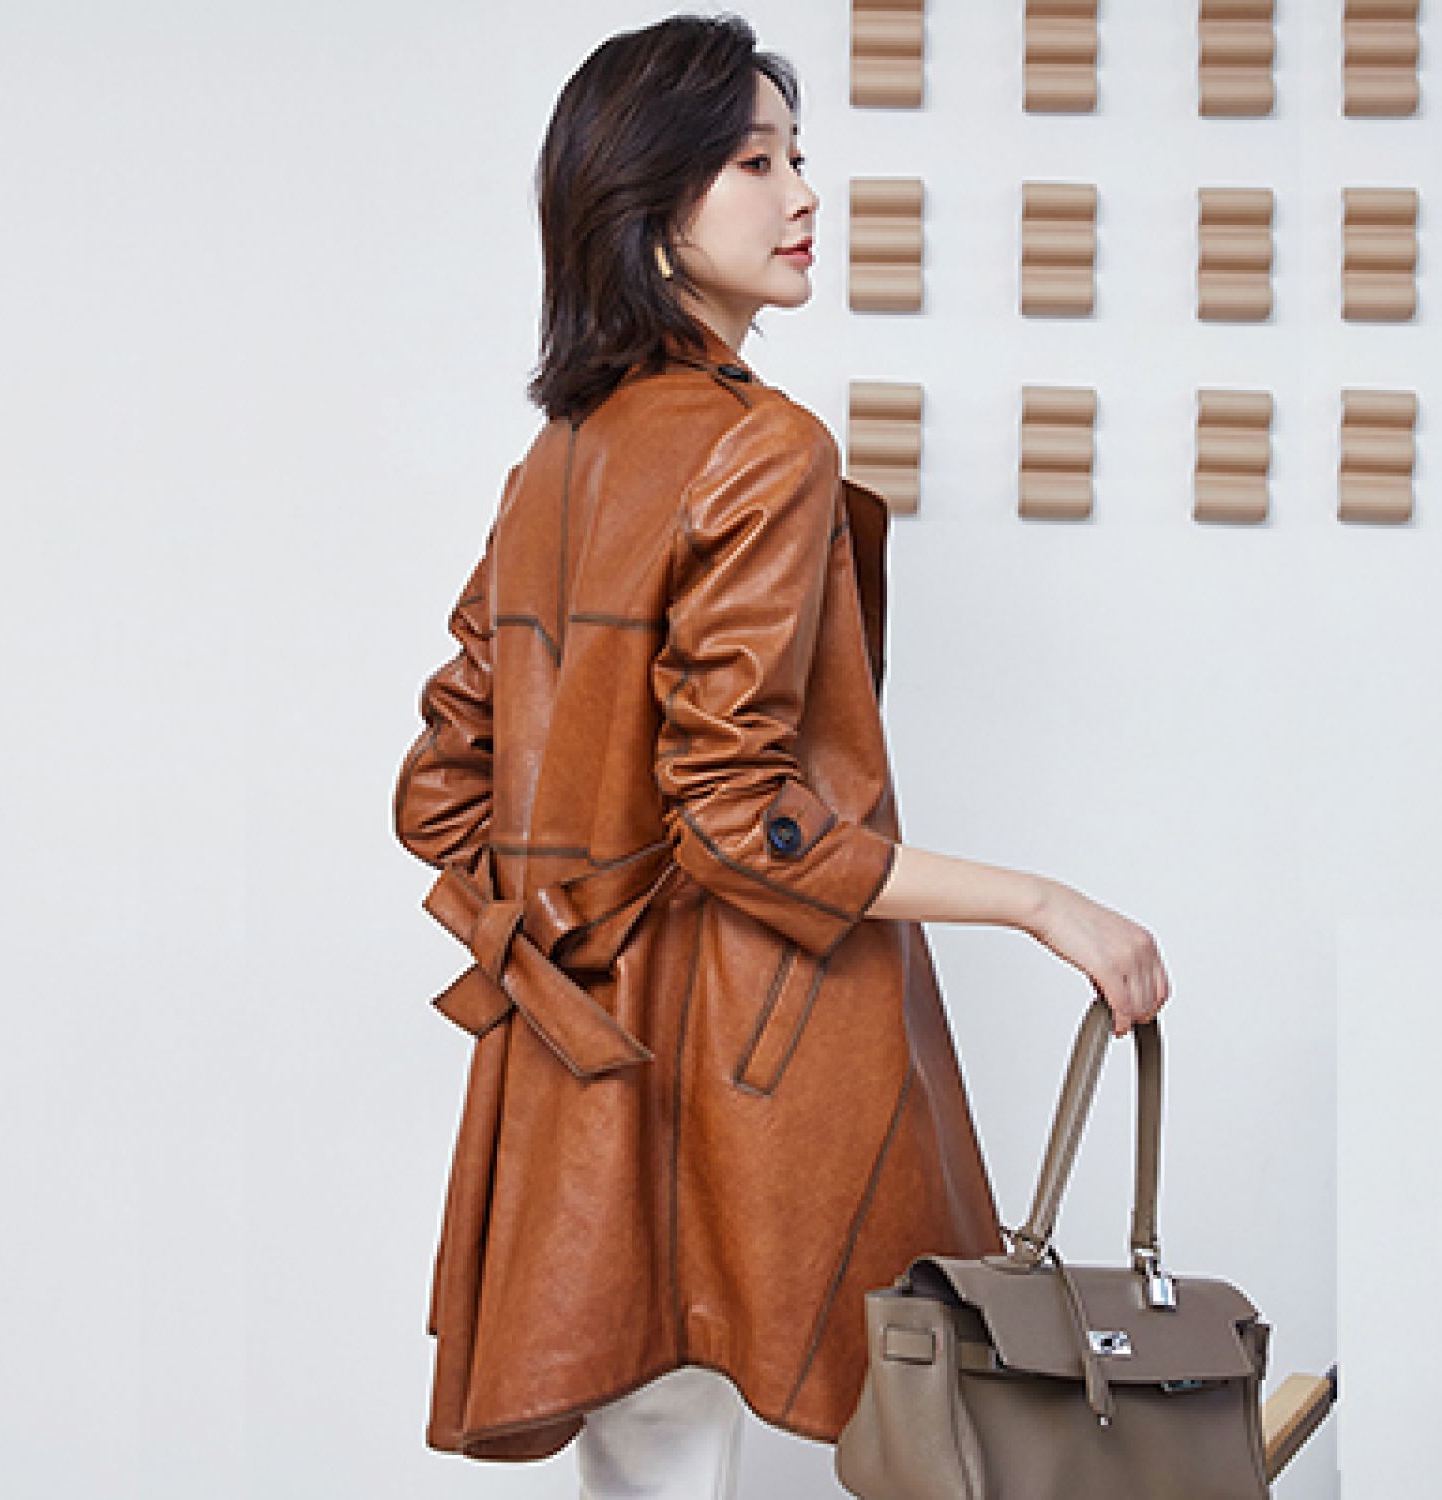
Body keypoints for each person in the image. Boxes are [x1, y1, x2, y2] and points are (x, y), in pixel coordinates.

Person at [392, 13, 1170, 1497]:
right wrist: (1043, 903)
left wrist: (565, 924)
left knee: (652, 1462)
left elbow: (440, 790)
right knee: (834, 1438)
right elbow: (740, 817)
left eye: (798, 156)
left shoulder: (556, 461)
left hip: (577, 1076)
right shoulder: (764, 447)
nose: (806, 193)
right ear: (650, 211)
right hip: (737, 1083)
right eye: (756, 162)